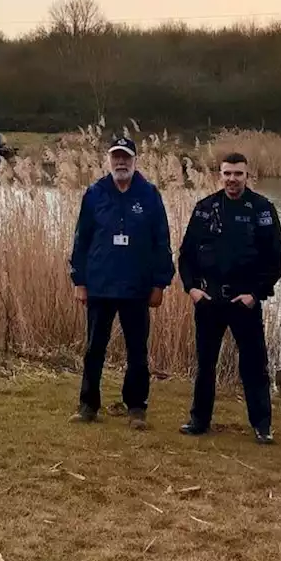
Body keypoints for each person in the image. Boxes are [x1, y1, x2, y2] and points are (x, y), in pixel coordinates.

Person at [177, 152, 281, 444]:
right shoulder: (205, 208)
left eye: (238, 174)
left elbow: (276, 260)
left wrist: (256, 294)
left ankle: (262, 426)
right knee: (205, 364)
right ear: (220, 175)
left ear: (247, 175)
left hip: (244, 302)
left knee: (254, 366)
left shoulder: (261, 209)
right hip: (209, 302)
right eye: (227, 173)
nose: (232, 179)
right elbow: (185, 255)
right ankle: (199, 420)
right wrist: (191, 289)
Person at [67, 136, 175, 430]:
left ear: (135, 160)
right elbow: (81, 240)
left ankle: (136, 408)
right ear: (108, 160)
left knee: (137, 351)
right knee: (94, 348)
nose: (120, 162)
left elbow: (161, 241)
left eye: (126, 157)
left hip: (137, 287)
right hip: (100, 286)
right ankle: (88, 405)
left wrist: (160, 283)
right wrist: (79, 280)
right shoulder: (94, 193)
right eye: (116, 157)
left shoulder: (150, 194)